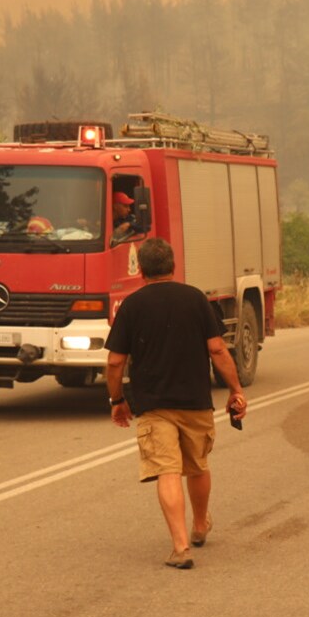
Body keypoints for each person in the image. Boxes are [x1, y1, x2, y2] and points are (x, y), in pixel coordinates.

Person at [105, 238, 247, 569]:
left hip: (154, 404)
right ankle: (199, 526)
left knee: (167, 471)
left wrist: (117, 400)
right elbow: (217, 350)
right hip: (195, 400)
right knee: (197, 465)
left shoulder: (132, 305)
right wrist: (235, 389)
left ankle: (181, 546)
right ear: (173, 266)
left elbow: (114, 363)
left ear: (140, 270)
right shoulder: (196, 299)